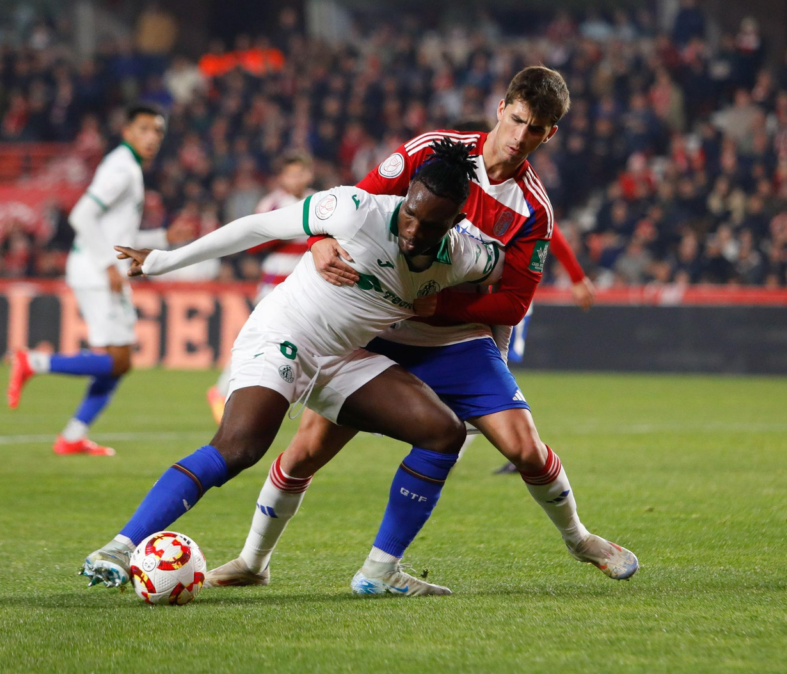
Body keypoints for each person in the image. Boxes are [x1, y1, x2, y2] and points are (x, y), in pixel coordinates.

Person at [207, 67, 637, 593]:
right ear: (501, 109)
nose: (521, 136)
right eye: (518, 119)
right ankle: (253, 562)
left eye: (536, 129)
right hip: (377, 325)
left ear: (550, 134)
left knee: (524, 447)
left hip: (456, 337)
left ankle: (578, 539)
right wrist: (317, 238)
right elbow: (356, 203)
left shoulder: (533, 209)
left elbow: (516, 301)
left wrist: (440, 307)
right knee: (306, 450)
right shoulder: (434, 149)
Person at [81, 139, 506, 596]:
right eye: (410, 214)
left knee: (443, 432)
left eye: (430, 224)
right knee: (240, 447)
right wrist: (166, 260)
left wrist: (449, 305)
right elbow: (257, 226)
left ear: (456, 221)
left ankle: (380, 572)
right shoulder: (356, 209)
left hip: (343, 357)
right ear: (405, 198)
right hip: (284, 333)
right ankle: (120, 547)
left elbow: (504, 273)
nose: (413, 229)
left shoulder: (465, 255)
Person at [6, 104, 168, 456]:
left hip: (100, 269)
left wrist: (164, 236)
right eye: (144, 129)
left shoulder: (128, 168)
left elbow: (119, 232)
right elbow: (82, 215)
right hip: (96, 272)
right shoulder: (122, 169)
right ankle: (33, 362)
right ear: (126, 132)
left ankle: (72, 436)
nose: (152, 137)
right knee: (118, 361)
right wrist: (108, 265)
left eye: (157, 131)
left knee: (119, 362)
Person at [206, 151, 315, 423]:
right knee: (260, 338)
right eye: (290, 173)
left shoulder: (317, 200)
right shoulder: (273, 203)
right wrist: (281, 231)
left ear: (308, 175)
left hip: (306, 286)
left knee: (306, 343)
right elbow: (253, 239)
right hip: (275, 286)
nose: (295, 178)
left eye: (300, 173)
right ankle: (221, 391)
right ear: (282, 177)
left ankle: (303, 399)